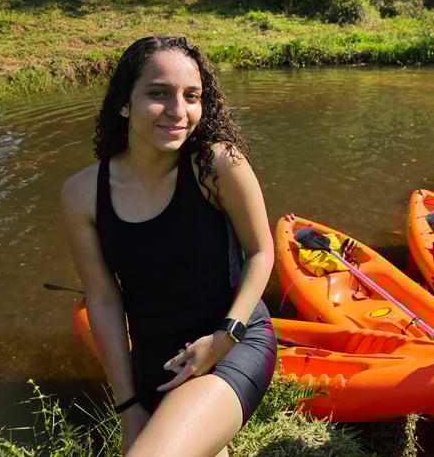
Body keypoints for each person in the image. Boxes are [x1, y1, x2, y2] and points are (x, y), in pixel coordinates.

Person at [61, 36, 276, 457]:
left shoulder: (217, 165)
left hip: (231, 341)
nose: (179, 111)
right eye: (159, 94)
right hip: (154, 361)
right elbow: (103, 300)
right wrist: (128, 406)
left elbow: (261, 252)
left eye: (191, 96)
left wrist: (225, 336)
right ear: (125, 103)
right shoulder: (82, 194)